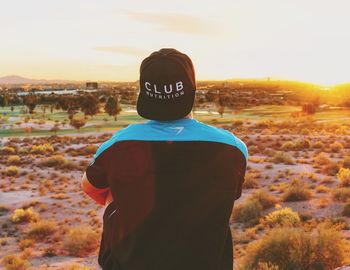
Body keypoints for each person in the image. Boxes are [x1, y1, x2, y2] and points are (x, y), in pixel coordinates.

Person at [81, 48, 248, 270]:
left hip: (130, 264)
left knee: (113, 190)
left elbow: (90, 188)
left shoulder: (117, 145)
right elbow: (230, 195)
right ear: (192, 90)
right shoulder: (232, 148)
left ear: (144, 93)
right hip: (205, 262)